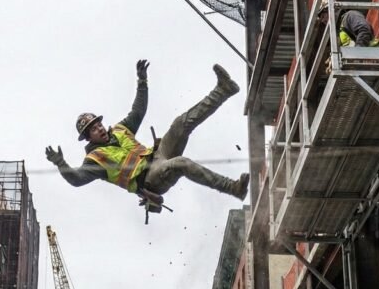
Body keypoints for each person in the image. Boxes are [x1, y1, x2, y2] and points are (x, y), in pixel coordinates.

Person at [45, 59, 249, 205]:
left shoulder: (120, 130)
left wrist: (142, 81)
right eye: (93, 129)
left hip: (158, 155)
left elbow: (138, 110)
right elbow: (76, 179)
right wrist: (60, 163)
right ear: (88, 138)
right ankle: (233, 188)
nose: (99, 128)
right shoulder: (95, 160)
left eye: (98, 124)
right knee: (182, 164)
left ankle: (223, 90)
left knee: (181, 123)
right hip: (150, 178)